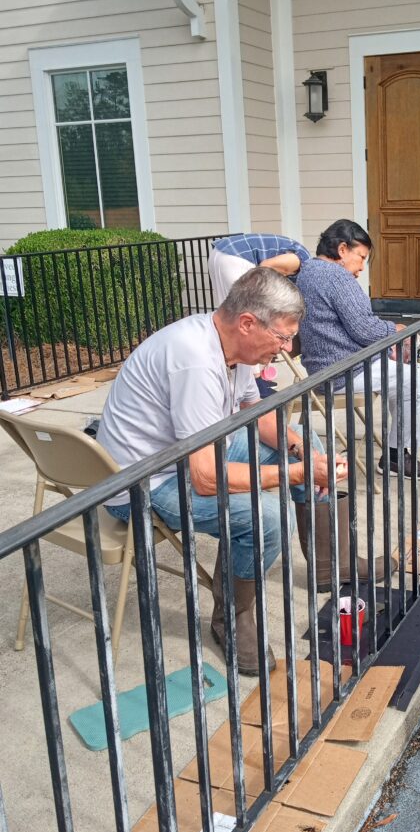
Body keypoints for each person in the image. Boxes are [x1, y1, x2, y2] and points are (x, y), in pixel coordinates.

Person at [97, 266, 343, 676]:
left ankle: (327, 566)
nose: (285, 349)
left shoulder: (236, 347)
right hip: (146, 482)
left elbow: (251, 411)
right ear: (248, 323)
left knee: (304, 439)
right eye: (281, 337)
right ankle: (231, 617)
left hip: (194, 453)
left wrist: (299, 450)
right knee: (265, 517)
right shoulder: (194, 360)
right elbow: (206, 478)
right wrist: (297, 474)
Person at [296, 219, 420, 479]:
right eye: (361, 257)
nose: (361, 268)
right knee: (415, 379)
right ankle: (397, 455)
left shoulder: (308, 270)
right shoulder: (336, 276)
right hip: (343, 371)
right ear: (342, 249)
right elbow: (365, 329)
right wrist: (397, 331)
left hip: (325, 368)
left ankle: (412, 429)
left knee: (406, 377)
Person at [208, 232, 311, 307]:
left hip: (220, 252)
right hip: (236, 258)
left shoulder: (302, 258)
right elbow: (265, 267)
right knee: (244, 311)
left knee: (227, 311)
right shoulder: (301, 259)